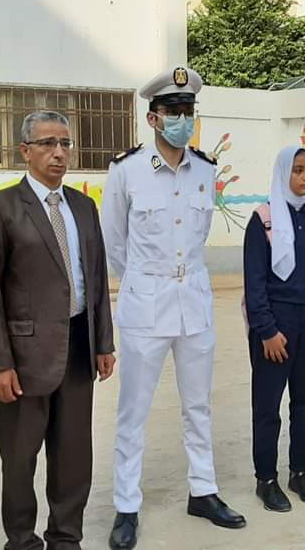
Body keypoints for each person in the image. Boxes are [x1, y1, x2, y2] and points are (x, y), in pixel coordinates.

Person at [102, 67, 246, 550]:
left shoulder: (205, 169)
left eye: (189, 110)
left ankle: (203, 490)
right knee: (133, 410)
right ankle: (127, 504)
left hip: (195, 304)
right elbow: (114, 243)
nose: (183, 119)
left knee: (198, 405)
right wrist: (146, 281)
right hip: (146, 304)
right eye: (174, 111)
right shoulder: (126, 170)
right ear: (153, 118)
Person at [0, 111, 117, 550]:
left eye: (65, 143)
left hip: (78, 348)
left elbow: (96, 279)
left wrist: (103, 343)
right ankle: (21, 540)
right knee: (19, 459)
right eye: (48, 143)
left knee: (73, 456)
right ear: (25, 151)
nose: (59, 153)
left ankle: (65, 538)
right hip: (22, 358)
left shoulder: (84, 207)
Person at [243, 146, 305, 512]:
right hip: (276, 328)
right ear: (283, 172)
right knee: (268, 406)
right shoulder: (263, 220)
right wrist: (266, 331)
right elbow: (254, 281)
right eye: (297, 170)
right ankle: (266, 479)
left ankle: (300, 471)